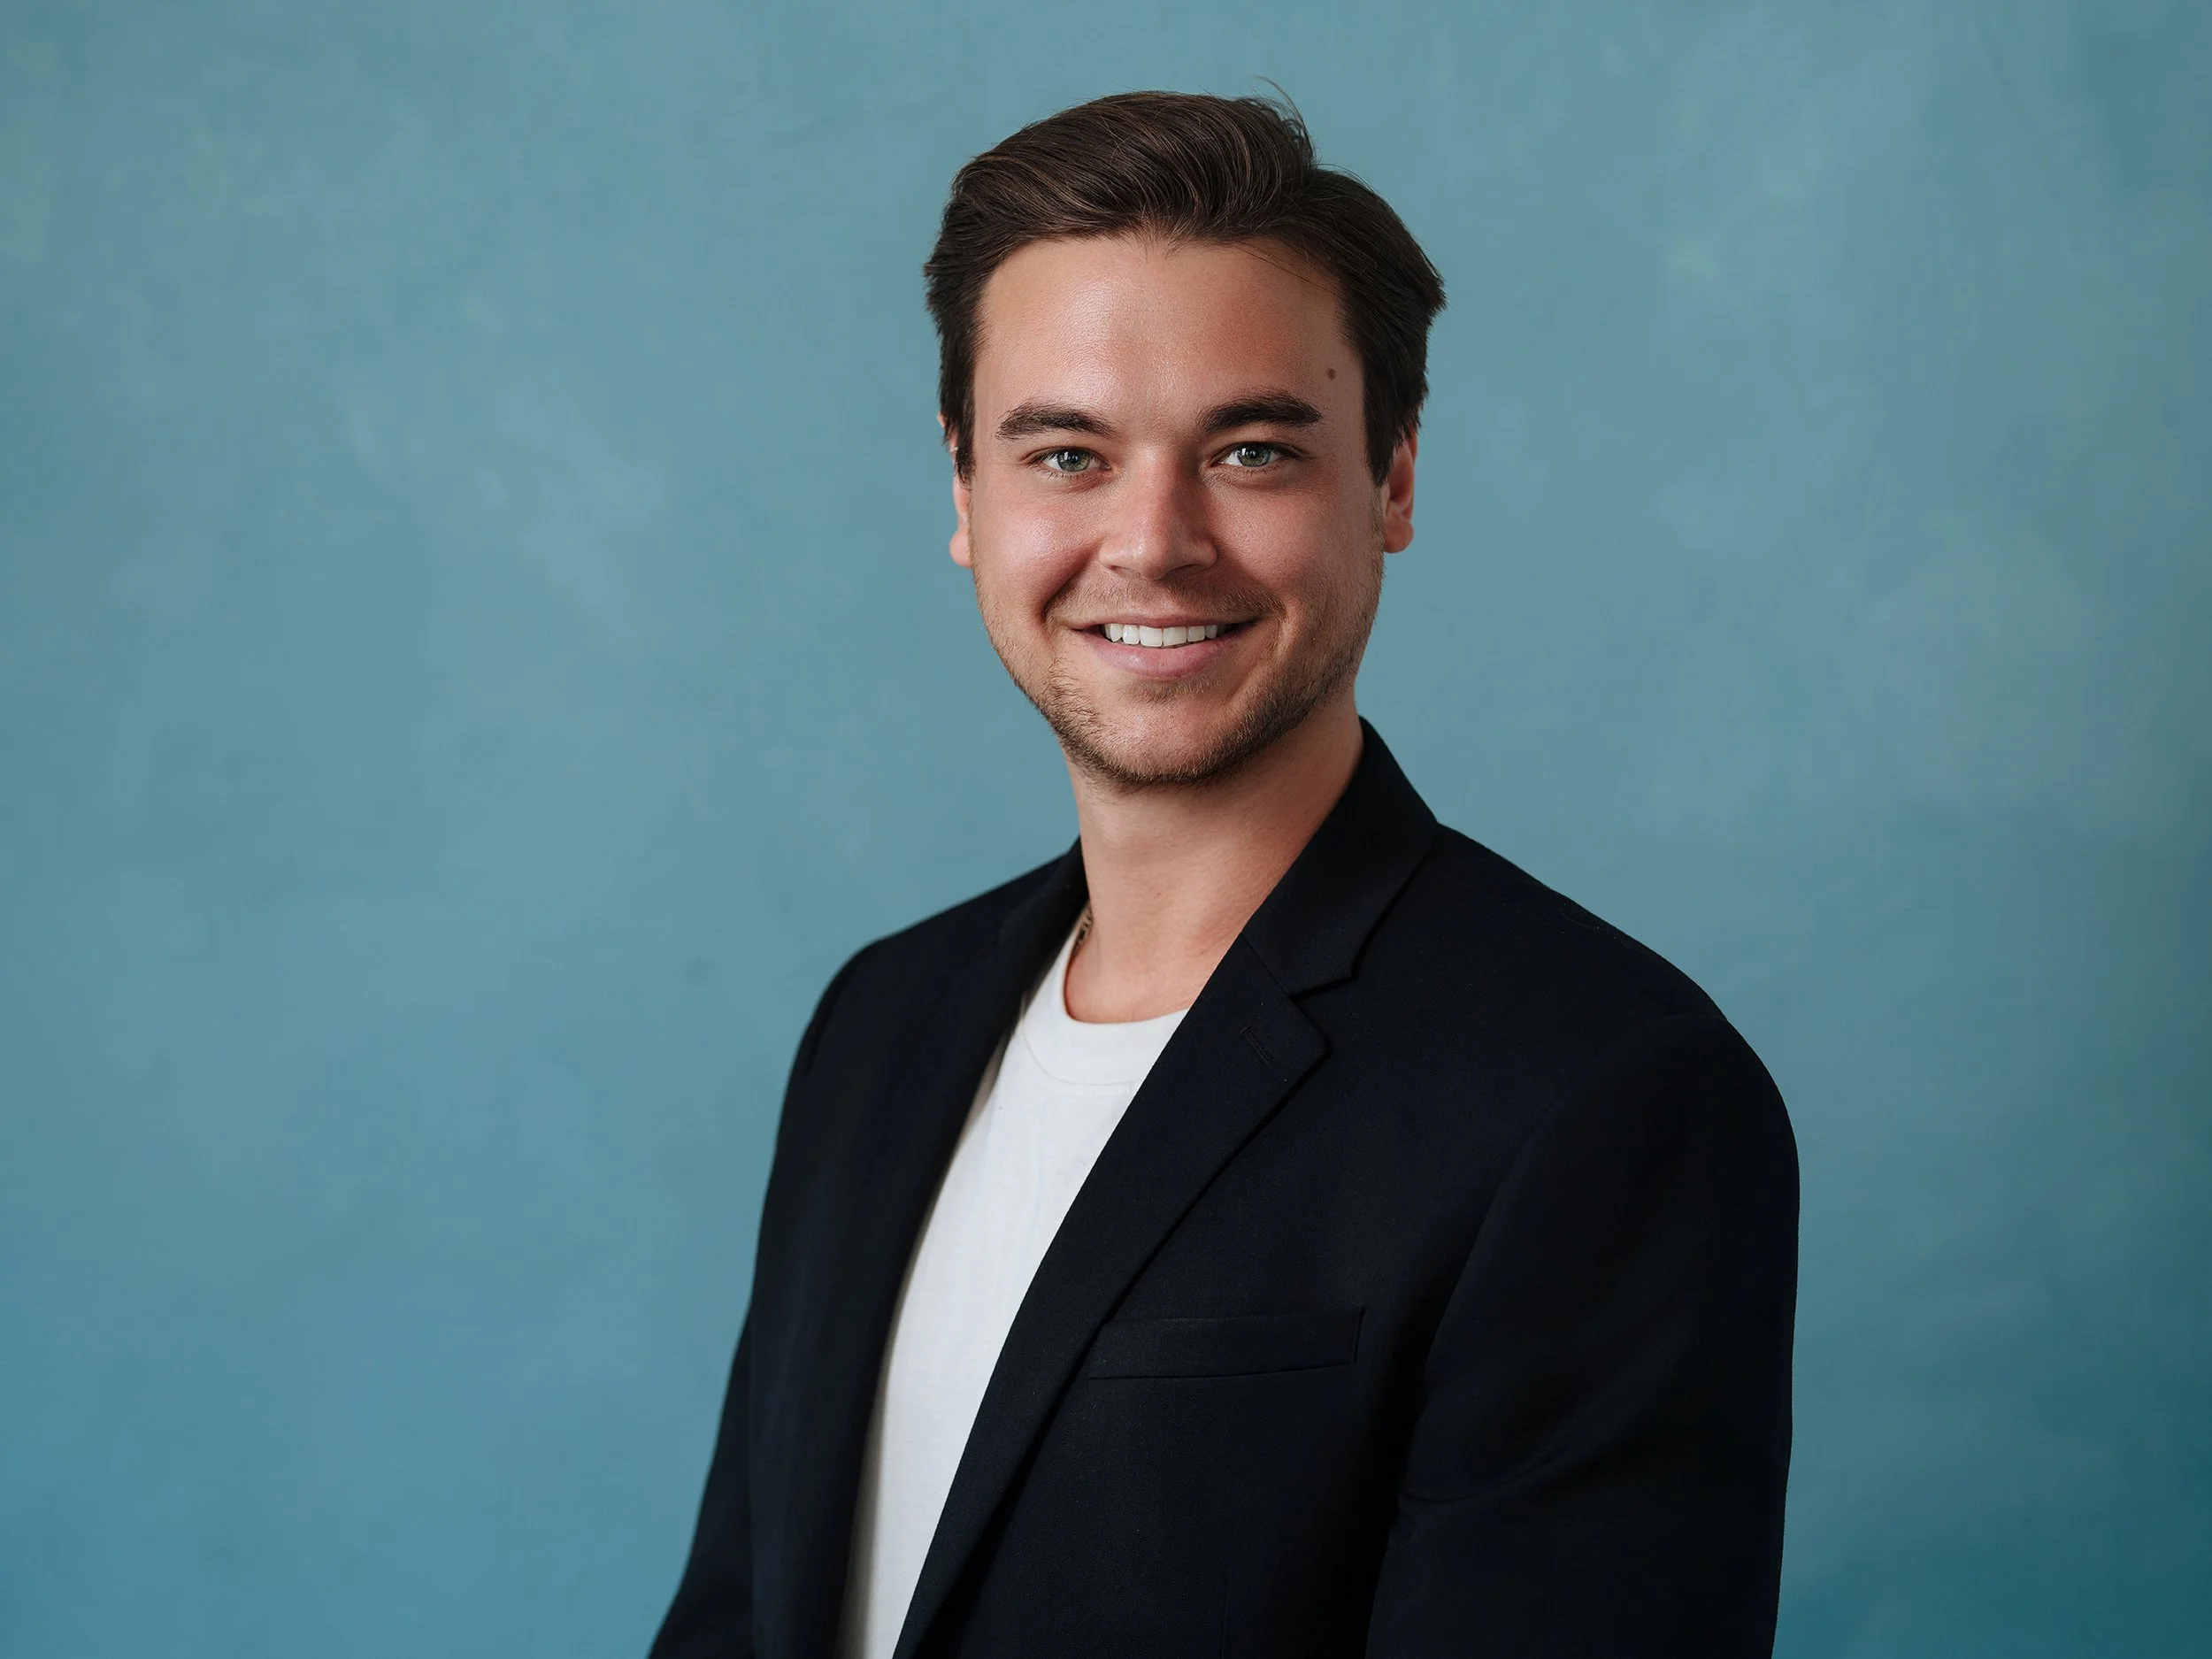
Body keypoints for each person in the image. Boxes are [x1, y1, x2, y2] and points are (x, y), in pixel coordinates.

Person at [649, 91, 1797, 1659]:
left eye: (1252, 450)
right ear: (966, 494)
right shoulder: (878, 1023)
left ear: (1392, 481)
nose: (1154, 541)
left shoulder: (1603, 1093)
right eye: (1067, 453)